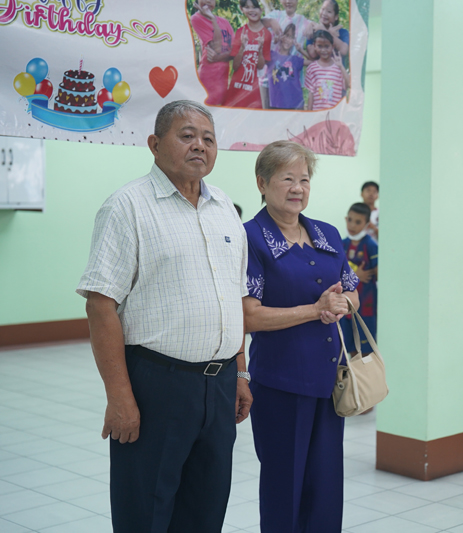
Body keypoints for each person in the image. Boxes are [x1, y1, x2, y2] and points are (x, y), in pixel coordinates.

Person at [76, 101, 250, 532]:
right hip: (157, 385)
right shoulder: (127, 206)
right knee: (146, 512)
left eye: (208, 139)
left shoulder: (225, 208)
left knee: (205, 509)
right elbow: (100, 304)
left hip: (221, 385)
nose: (200, 146)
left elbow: (234, 298)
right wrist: (119, 397)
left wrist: (241, 372)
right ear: (154, 144)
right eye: (187, 135)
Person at [243, 141, 359, 532]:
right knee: (285, 486)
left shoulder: (327, 233)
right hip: (281, 384)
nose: (298, 188)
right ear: (262, 183)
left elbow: (353, 293)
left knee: (325, 486)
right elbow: (249, 315)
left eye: (305, 180)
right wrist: (314, 309)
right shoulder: (251, 238)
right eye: (287, 179)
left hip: (330, 381)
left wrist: (343, 304)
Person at [341, 202, 378, 355]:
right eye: (350, 220)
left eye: (358, 222)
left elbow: (379, 273)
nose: (352, 225)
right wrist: (356, 275)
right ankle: (353, 371)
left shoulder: (370, 245)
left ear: (367, 225)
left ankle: (365, 372)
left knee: (365, 349)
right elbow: (335, 271)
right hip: (345, 304)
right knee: (348, 346)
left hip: (366, 304)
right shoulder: (342, 244)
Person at [222, 0, 271, 109]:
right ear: (242, 10)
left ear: (260, 10)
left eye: (254, 7)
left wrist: (260, 50)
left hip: (253, 92)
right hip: (236, 88)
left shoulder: (266, 35)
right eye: (247, 7)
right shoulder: (240, 32)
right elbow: (235, 66)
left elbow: (260, 66)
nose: (251, 10)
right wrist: (242, 47)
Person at [191, 0, 235, 105]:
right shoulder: (197, 18)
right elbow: (217, 47)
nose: (208, 1)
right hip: (208, 79)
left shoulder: (225, 22)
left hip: (223, 80)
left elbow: (235, 51)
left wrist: (218, 57)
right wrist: (212, 19)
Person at [304, 30, 349, 111]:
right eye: (320, 46)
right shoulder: (312, 68)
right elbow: (311, 94)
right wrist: (309, 114)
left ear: (332, 46)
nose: (323, 50)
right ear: (314, 46)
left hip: (334, 114)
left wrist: (341, 67)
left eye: (327, 46)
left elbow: (348, 85)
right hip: (317, 114)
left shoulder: (338, 67)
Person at [265, 23, 306, 110]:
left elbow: (314, 62)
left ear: (293, 41)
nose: (288, 40)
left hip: (295, 105)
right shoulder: (272, 55)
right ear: (281, 36)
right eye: (286, 35)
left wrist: (300, 50)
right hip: (276, 105)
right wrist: (274, 42)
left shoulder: (295, 59)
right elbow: (259, 52)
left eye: (291, 37)